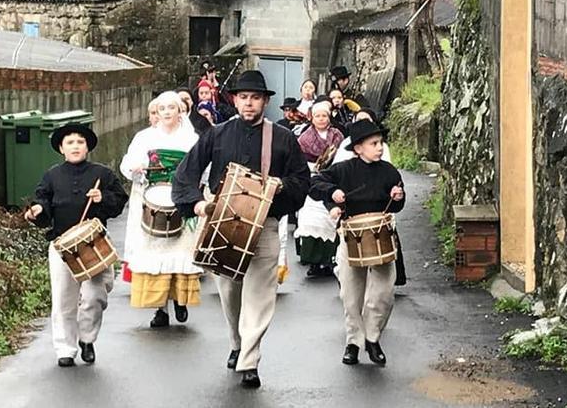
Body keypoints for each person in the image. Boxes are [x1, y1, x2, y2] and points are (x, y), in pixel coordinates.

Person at [172, 70, 310, 389]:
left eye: (255, 98)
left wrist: (280, 187)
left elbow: (302, 181)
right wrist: (197, 205)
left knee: (260, 296)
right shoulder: (216, 134)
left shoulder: (283, 138)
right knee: (230, 294)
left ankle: (250, 359)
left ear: (265, 101)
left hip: (265, 225)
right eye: (243, 97)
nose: (249, 104)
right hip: (223, 226)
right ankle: (237, 341)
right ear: (234, 100)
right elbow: (185, 175)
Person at [25, 123, 128, 367]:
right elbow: (43, 202)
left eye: (80, 142)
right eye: (70, 142)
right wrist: (38, 211)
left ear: (87, 147)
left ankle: (87, 339)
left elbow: (119, 201)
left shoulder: (102, 174)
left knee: (95, 296)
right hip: (62, 245)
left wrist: (104, 198)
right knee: (64, 299)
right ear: (61, 148)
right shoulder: (52, 176)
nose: (75, 146)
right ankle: (65, 348)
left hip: (95, 243)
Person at [309, 119, 405, 366]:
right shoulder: (343, 170)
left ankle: (372, 338)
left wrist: (397, 196)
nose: (380, 148)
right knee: (351, 295)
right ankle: (354, 342)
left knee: (384, 293)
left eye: (381, 143)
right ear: (358, 148)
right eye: (374, 143)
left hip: (381, 235)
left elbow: (397, 204)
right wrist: (333, 195)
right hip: (351, 235)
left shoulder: (388, 171)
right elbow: (316, 183)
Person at [119, 91, 203, 327]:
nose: (166, 112)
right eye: (162, 108)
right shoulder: (144, 137)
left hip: (181, 199)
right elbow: (127, 163)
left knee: (180, 252)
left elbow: (202, 168)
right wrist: (136, 169)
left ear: (180, 111)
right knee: (155, 254)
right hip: (152, 200)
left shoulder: (192, 139)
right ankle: (160, 308)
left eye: (171, 108)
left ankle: (180, 299)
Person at [294, 101, 344, 277]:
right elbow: (298, 161)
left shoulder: (337, 135)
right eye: (318, 116)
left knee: (330, 219)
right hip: (312, 179)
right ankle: (313, 261)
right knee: (312, 219)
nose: (321, 119)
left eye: (324, 115)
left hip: (332, 178)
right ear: (312, 118)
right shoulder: (304, 138)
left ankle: (329, 260)